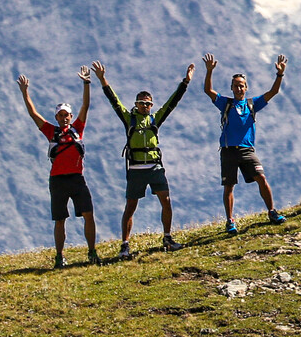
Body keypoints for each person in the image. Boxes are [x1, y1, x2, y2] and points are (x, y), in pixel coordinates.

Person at [92, 59, 190, 258]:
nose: (145, 106)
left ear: (152, 105)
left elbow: (172, 103)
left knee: (166, 200)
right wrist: (103, 80)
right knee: (130, 206)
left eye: (148, 103)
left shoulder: (155, 119)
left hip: (154, 167)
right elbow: (114, 101)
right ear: (136, 104)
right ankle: (125, 245)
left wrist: (185, 82)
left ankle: (167, 238)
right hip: (136, 168)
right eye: (141, 103)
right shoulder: (130, 119)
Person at [17, 67, 100, 267]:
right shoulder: (51, 132)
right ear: (56, 117)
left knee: (88, 214)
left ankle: (91, 252)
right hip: (58, 180)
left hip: (77, 178)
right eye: (61, 115)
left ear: (71, 117)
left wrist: (86, 83)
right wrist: (25, 92)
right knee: (60, 219)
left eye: (67, 115)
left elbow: (86, 106)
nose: (64, 118)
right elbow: (33, 113)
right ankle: (59, 256)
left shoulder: (78, 129)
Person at [204, 51, 286, 233]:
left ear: (246, 87)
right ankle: (230, 221)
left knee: (261, 178)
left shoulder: (252, 104)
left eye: (241, 86)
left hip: (247, 150)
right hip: (228, 151)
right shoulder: (226, 103)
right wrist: (209, 71)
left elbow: (273, 92)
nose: (239, 89)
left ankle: (272, 212)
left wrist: (279, 74)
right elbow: (208, 91)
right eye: (235, 86)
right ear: (232, 88)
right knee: (229, 186)